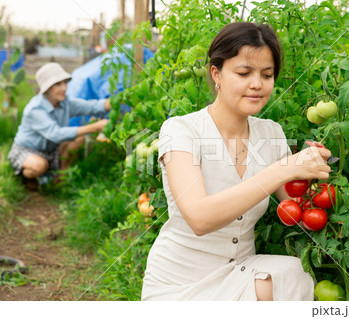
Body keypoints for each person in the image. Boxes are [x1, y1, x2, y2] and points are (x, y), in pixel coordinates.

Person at [141, 22, 331, 301]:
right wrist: (283, 168)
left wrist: (314, 179)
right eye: (244, 73)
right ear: (216, 73)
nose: (257, 84)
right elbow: (199, 218)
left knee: (292, 272)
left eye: (267, 75)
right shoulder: (181, 130)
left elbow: (297, 214)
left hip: (240, 273)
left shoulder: (271, 133)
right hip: (179, 284)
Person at [7, 62, 110, 189]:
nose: (64, 88)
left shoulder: (65, 103)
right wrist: (95, 126)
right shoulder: (35, 109)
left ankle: (60, 177)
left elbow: (90, 106)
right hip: (27, 150)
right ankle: (27, 178)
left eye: (65, 83)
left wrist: (114, 101)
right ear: (47, 87)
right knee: (39, 165)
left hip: (51, 149)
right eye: (58, 84)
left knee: (78, 138)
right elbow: (55, 134)